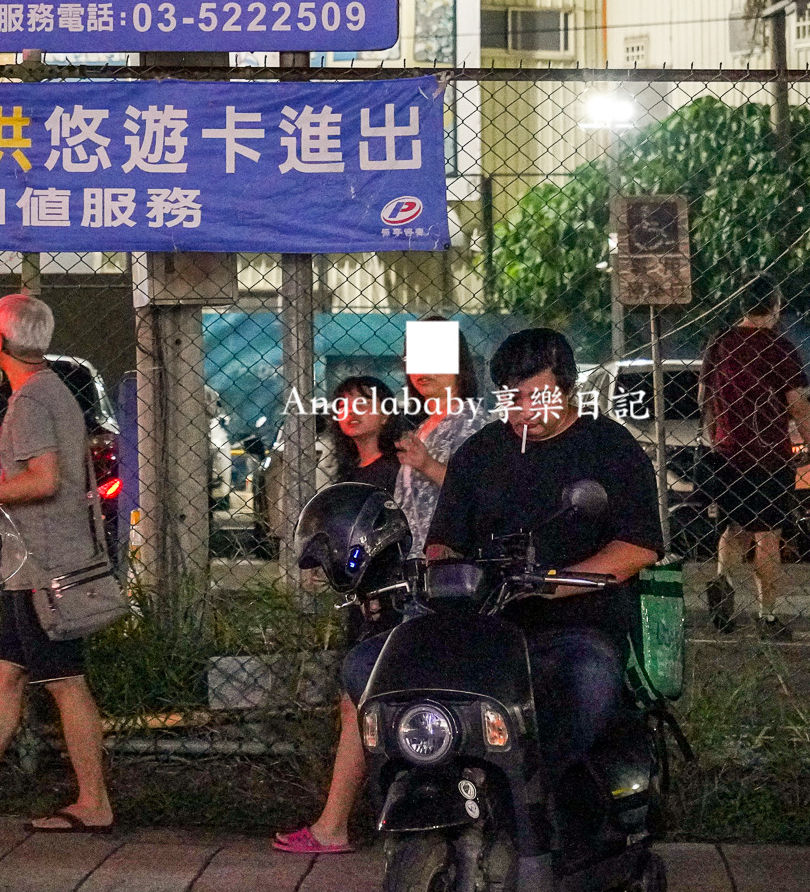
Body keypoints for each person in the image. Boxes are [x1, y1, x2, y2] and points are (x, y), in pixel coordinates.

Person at [421, 328, 662, 777]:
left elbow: (637, 548)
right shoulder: (479, 453)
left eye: (536, 396)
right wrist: (449, 579)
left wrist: (550, 585)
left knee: (588, 680)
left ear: (568, 390)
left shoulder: (611, 447)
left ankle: (537, 786)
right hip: (488, 625)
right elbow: (443, 541)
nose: (523, 410)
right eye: (511, 398)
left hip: (578, 629)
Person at [0, 294, 114, 834]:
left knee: (64, 680)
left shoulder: (33, 400)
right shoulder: (52, 391)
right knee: (4, 673)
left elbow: (44, 480)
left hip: (44, 567)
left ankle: (94, 803)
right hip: (30, 565)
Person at [274, 377, 409, 855]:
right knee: (357, 706)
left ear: (389, 411)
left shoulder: (400, 470)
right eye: (341, 405)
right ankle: (349, 822)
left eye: (363, 403)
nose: (350, 412)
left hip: (394, 607)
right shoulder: (355, 473)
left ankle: (339, 824)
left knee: (365, 706)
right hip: (366, 607)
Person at [701, 276, 810, 638]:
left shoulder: (720, 344)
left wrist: (714, 436)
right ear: (775, 307)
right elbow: (798, 407)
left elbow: (706, 396)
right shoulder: (780, 349)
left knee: (734, 526)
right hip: (768, 456)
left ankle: (722, 579)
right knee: (768, 535)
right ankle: (768, 616)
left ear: (743, 305)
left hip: (728, 452)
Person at [393, 317, 485, 551]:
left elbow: (479, 491)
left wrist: (427, 465)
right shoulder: (424, 426)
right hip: (414, 561)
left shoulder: (472, 419)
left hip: (449, 561)